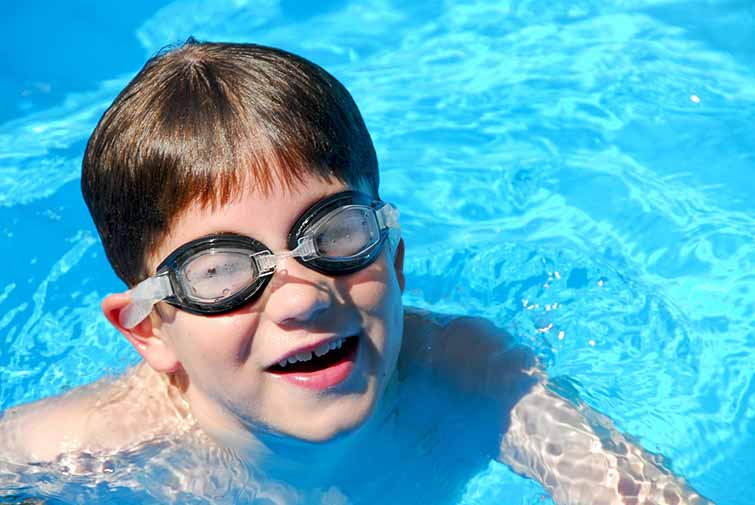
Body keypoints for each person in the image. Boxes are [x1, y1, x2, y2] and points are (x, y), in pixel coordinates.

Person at [0, 39, 713, 505]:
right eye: (219, 270)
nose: (302, 296)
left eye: (334, 233)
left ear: (394, 259)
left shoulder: (474, 378)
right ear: (149, 327)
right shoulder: (65, 451)